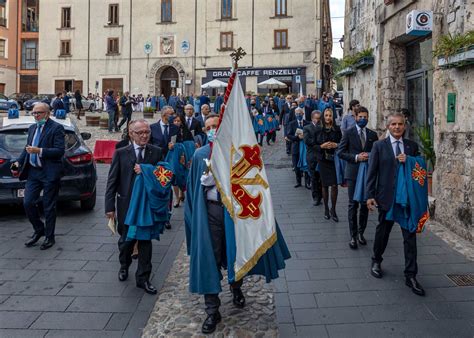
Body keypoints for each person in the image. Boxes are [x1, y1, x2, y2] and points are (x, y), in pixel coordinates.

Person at [366, 112, 425, 296]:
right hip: (386, 198)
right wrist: (369, 196)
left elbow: (421, 169)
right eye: (394, 124)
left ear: (405, 126)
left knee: (410, 237)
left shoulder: (412, 147)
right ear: (388, 126)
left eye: (400, 124)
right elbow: (372, 172)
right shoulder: (379, 146)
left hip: (406, 200)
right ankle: (376, 260)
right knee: (383, 231)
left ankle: (411, 275)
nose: (397, 127)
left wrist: (410, 160)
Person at [105, 119, 163, 295]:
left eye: (147, 132)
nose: (145, 135)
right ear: (131, 134)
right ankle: (124, 264)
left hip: (146, 206)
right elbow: (112, 181)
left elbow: (164, 176)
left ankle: (143, 278)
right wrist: (110, 207)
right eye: (140, 133)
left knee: (145, 242)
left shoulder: (157, 152)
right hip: (126, 205)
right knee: (126, 241)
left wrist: (147, 170)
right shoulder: (121, 153)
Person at [12, 103, 65, 250]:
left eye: (38, 113)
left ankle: (49, 236)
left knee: (49, 206)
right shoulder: (32, 128)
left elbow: (59, 151)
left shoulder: (56, 128)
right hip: (34, 172)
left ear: (47, 114)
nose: (35, 116)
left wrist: (39, 150)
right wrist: (18, 162)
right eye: (33, 113)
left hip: (49, 172)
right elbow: (27, 148)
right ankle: (39, 229)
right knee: (28, 202)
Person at [337, 106, 378, 249]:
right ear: (355, 117)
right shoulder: (348, 133)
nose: (362, 119)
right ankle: (353, 235)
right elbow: (340, 153)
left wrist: (370, 156)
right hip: (353, 173)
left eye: (365, 117)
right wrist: (356, 157)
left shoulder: (373, 135)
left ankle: (361, 233)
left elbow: (377, 154)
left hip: (368, 174)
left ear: (368, 118)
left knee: (365, 204)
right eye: (360, 117)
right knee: (352, 204)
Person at [316, 108, 342, 221]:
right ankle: (326, 209)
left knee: (335, 185)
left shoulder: (337, 129)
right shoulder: (318, 129)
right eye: (326, 115)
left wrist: (336, 145)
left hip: (334, 159)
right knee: (325, 185)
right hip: (323, 160)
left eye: (330, 115)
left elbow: (342, 143)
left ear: (332, 117)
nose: (328, 117)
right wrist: (322, 146)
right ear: (323, 116)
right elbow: (313, 145)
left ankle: (334, 209)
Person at [168, 113, 195, 208]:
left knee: (183, 174)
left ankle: (181, 192)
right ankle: (177, 197)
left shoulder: (185, 130)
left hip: (185, 156)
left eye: (178, 121)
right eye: (174, 121)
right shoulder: (169, 130)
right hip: (173, 157)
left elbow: (191, 142)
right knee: (174, 176)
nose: (176, 122)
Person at [286, 108, 310, 188]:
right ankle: (298, 182)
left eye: (300, 113)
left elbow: (311, 134)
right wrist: (297, 137)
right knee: (296, 166)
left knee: (306, 165)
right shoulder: (292, 124)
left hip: (306, 148)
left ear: (303, 114)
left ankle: (307, 183)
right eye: (297, 113)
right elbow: (289, 135)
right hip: (296, 147)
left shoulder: (307, 123)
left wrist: (305, 137)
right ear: (295, 114)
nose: (298, 115)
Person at [303, 110, 323, 206]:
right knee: (314, 177)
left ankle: (321, 195)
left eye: (320, 119)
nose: (318, 121)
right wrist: (320, 142)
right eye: (317, 119)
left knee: (321, 178)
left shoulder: (323, 127)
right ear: (312, 118)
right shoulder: (307, 128)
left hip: (322, 155)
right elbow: (308, 141)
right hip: (312, 156)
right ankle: (315, 196)